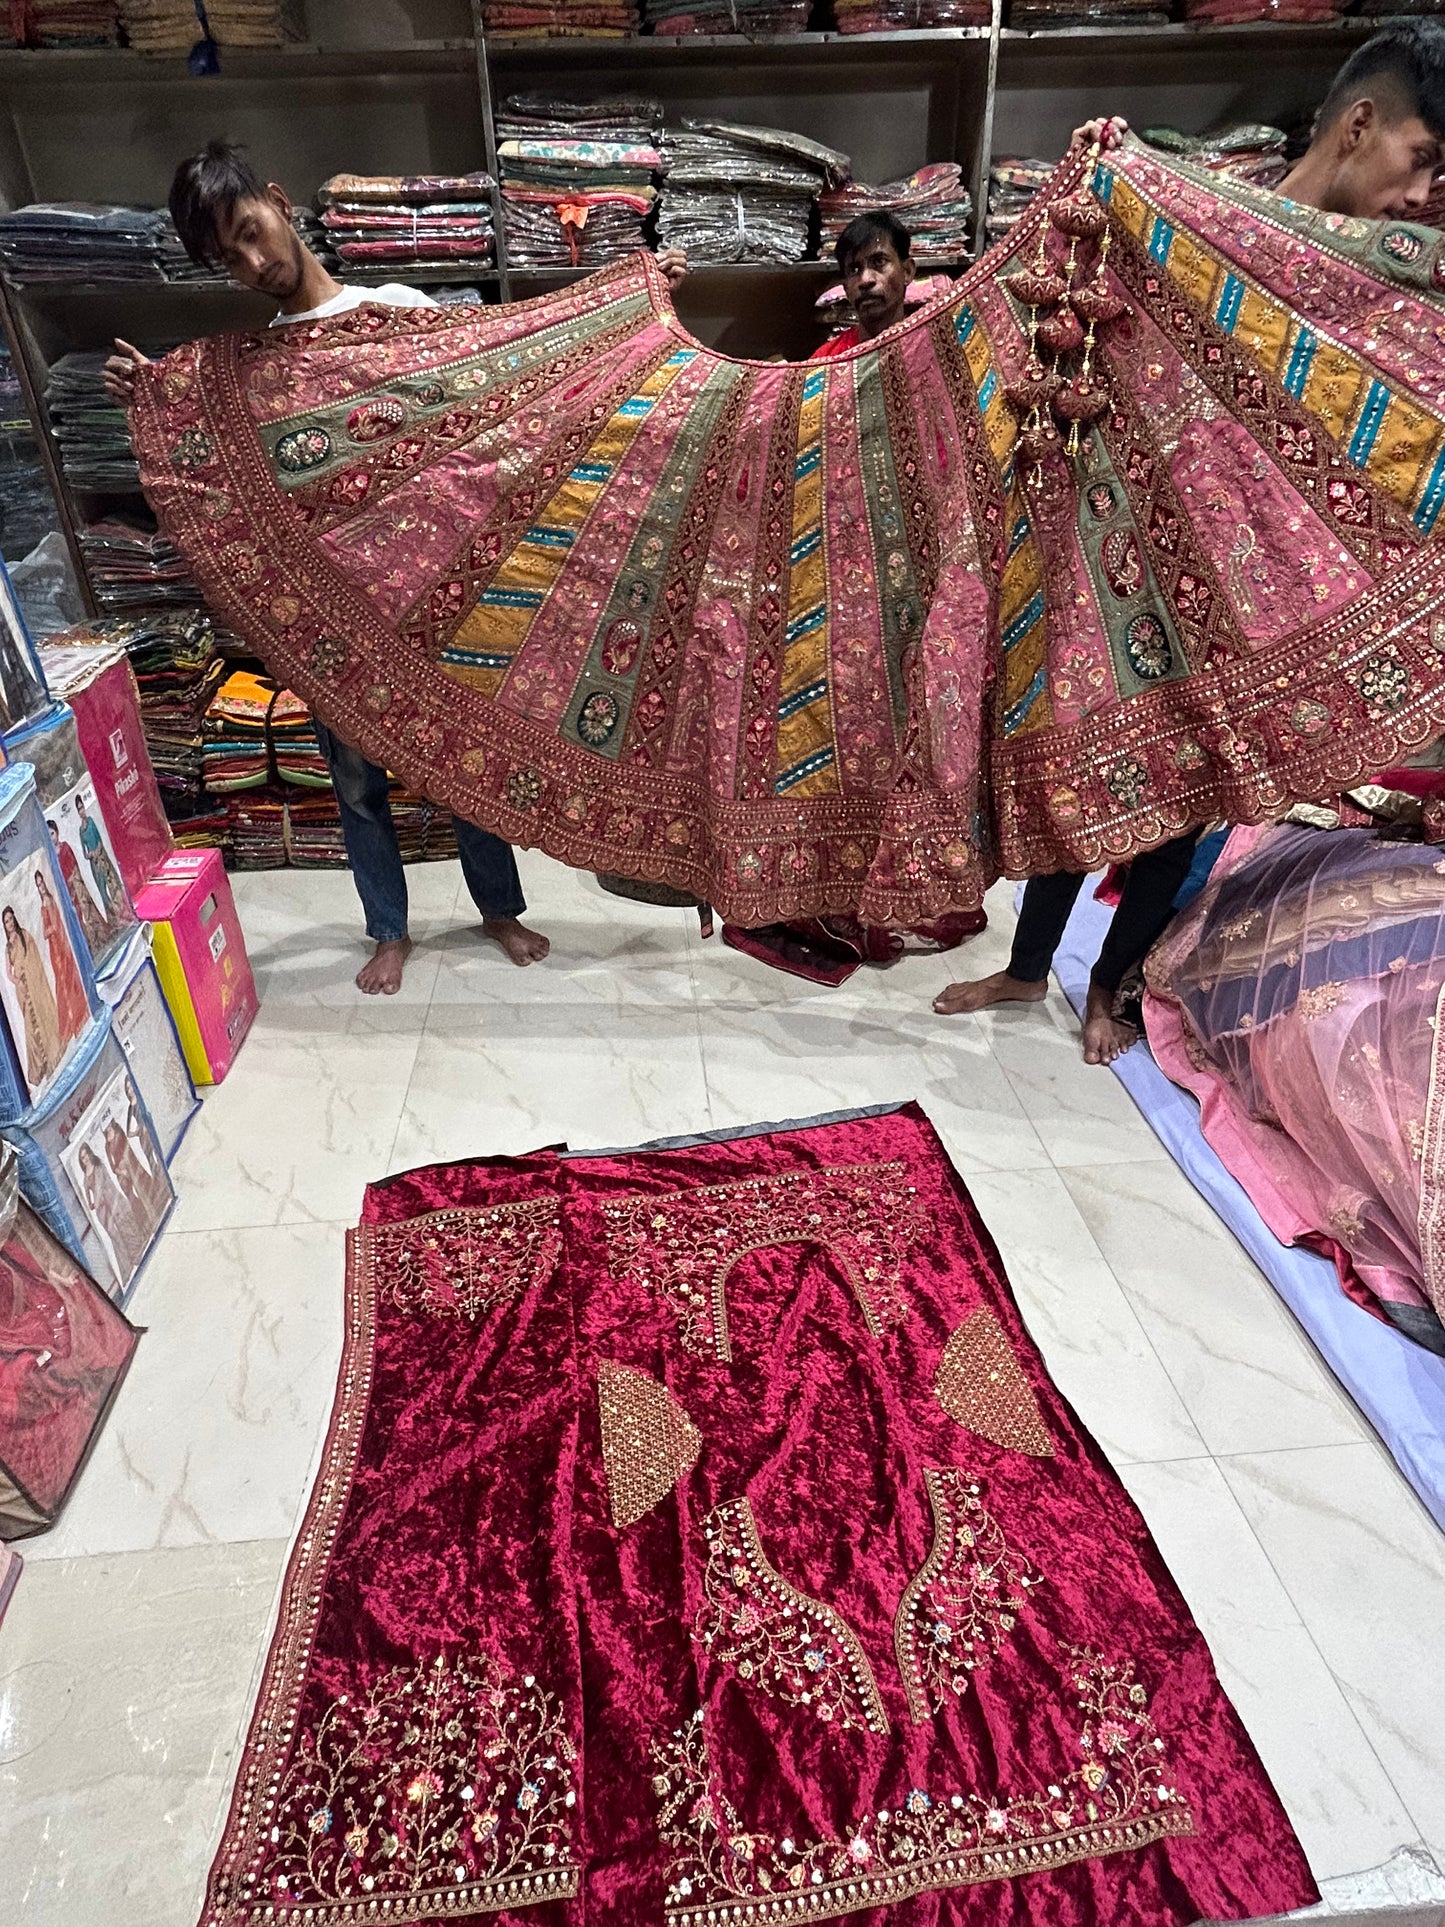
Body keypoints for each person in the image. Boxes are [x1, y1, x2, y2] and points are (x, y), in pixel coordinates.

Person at [936, 18, 1445, 1063]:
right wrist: (1101, 177)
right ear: (1360, 123)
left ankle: (1108, 990)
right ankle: (1028, 967)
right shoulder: (1194, 218)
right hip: (1122, 552)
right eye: (1419, 159)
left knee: (1188, 798)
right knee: (1080, 761)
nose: (1419, 197)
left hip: (1261, 591)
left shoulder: (1383, 284)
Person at [105, 146, 687, 995]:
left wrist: (625, 304)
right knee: (356, 783)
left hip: (441, 596)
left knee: (465, 762)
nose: (253, 263)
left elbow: (509, 372)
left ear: (278, 202)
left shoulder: (398, 309)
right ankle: (388, 928)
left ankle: (497, 907)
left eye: (251, 233)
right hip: (340, 614)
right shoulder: (254, 376)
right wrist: (148, 398)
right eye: (228, 259)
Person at [3, 903, 62, 1091]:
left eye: (11, 919)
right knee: (30, 1026)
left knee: (41, 1017)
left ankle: (51, 1057)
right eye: (6, 922)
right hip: (22, 990)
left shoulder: (24, 935)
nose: (9, 924)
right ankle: (41, 1065)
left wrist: (29, 975)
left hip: (33, 985)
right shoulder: (7, 947)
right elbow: (8, 973)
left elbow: (34, 957)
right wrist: (17, 981)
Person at [34, 869, 87, 1048]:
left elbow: (53, 927)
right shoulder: (45, 901)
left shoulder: (47, 901)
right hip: (55, 947)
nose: (41, 888)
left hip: (57, 946)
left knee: (63, 982)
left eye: (42, 884)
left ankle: (73, 1022)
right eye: (38, 885)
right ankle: (74, 1021)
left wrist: (47, 930)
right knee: (63, 980)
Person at [74, 796, 124, 939]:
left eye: (82, 807)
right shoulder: (81, 830)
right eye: (79, 809)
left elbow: (99, 839)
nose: (82, 811)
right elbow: (84, 852)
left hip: (102, 858)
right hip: (93, 864)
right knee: (102, 892)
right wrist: (90, 854)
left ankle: (121, 916)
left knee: (111, 884)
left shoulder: (90, 822)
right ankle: (113, 922)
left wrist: (97, 851)